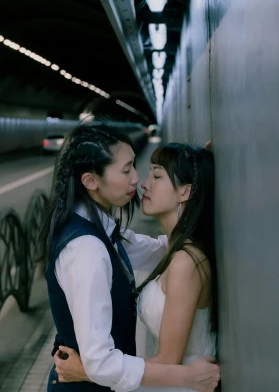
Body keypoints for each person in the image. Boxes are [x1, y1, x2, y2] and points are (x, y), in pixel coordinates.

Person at [35, 122, 219, 392]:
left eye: (137, 166)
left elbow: (159, 249)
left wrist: (193, 172)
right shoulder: (87, 249)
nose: (137, 179)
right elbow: (99, 361)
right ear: (91, 181)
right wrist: (187, 378)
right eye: (126, 169)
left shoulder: (102, 231)